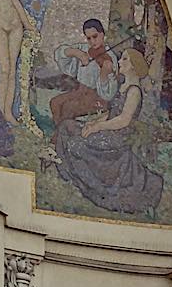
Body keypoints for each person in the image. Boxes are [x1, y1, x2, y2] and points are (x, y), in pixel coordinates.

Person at [55, 47, 164, 215]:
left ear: (134, 66)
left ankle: (90, 184)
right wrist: (92, 123)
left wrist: (97, 127)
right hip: (107, 129)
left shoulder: (134, 91)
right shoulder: (122, 86)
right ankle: (70, 174)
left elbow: (123, 119)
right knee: (67, 126)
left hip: (117, 137)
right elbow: (111, 113)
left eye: (124, 59)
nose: (119, 62)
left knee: (76, 144)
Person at [50, 19, 119, 127]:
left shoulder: (110, 58)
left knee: (69, 108)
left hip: (97, 98)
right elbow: (60, 53)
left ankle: (60, 137)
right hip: (80, 92)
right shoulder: (84, 48)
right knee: (55, 103)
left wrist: (104, 74)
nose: (92, 41)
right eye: (89, 38)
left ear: (102, 34)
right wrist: (76, 53)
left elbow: (108, 94)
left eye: (95, 36)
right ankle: (59, 132)